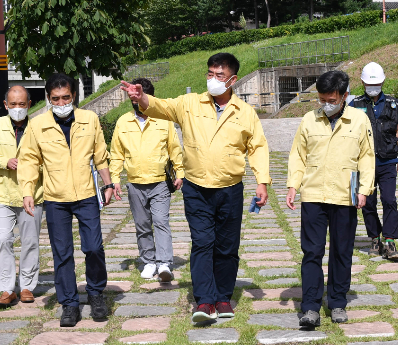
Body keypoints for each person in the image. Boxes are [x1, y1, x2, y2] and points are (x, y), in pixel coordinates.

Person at [121, 53, 270, 323]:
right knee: (202, 243)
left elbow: (257, 147)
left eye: (219, 75)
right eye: (210, 74)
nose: (213, 79)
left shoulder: (245, 112)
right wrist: (140, 98)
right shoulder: (190, 103)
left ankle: (223, 297)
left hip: (230, 189)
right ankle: (204, 300)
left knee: (227, 246)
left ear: (233, 80)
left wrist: (262, 181)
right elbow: (160, 108)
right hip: (197, 189)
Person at [18, 73, 115, 327]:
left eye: (66, 98)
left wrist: (109, 184)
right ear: (48, 99)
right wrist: (28, 191)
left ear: (74, 96)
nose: (61, 103)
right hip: (55, 198)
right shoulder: (37, 125)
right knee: (62, 253)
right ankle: (69, 304)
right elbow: (29, 160)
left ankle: (95, 294)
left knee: (94, 247)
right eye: (55, 99)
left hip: (85, 195)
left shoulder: (89, 119)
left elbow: (101, 156)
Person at [287, 70, 375, 327]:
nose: (325, 104)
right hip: (314, 194)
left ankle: (337, 302)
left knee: (341, 251)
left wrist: (364, 190)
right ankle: (311, 306)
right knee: (312, 252)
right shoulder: (308, 120)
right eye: (322, 99)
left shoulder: (359, 120)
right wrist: (293, 185)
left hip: (344, 196)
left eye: (331, 99)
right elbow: (297, 156)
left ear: (344, 95)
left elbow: (368, 157)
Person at [110, 77, 184, 282]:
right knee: (142, 224)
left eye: (139, 98)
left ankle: (164, 264)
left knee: (161, 222)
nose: (136, 103)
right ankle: (149, 261)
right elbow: (116, 153)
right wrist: (114, 178)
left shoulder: (164, 120)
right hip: (135, 183)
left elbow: (174, 148)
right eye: (132, 99)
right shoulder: (123, 122)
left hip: (160, 182)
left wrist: (180, 173)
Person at [0, 85, 44, 308]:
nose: (17, 108)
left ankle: (26, 286)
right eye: (13, 104)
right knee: (4, 239)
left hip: (32, 194)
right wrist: (4, 162)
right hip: (2, 193)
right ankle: (6, 288)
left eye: (21, 104)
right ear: (6, 105)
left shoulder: (39, 127)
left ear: (29, 104)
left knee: (30, 241)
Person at [349, 62, 398, 261]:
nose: (373, 86)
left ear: (383, 82)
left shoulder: (392, 103)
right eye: (369, 83)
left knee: (389, 200)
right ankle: (375, 237)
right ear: (362, 82)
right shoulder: (354, 105)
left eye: (377, 83)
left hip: (388, 160)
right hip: (364, 164)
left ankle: (389, 240)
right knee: (368, 203)